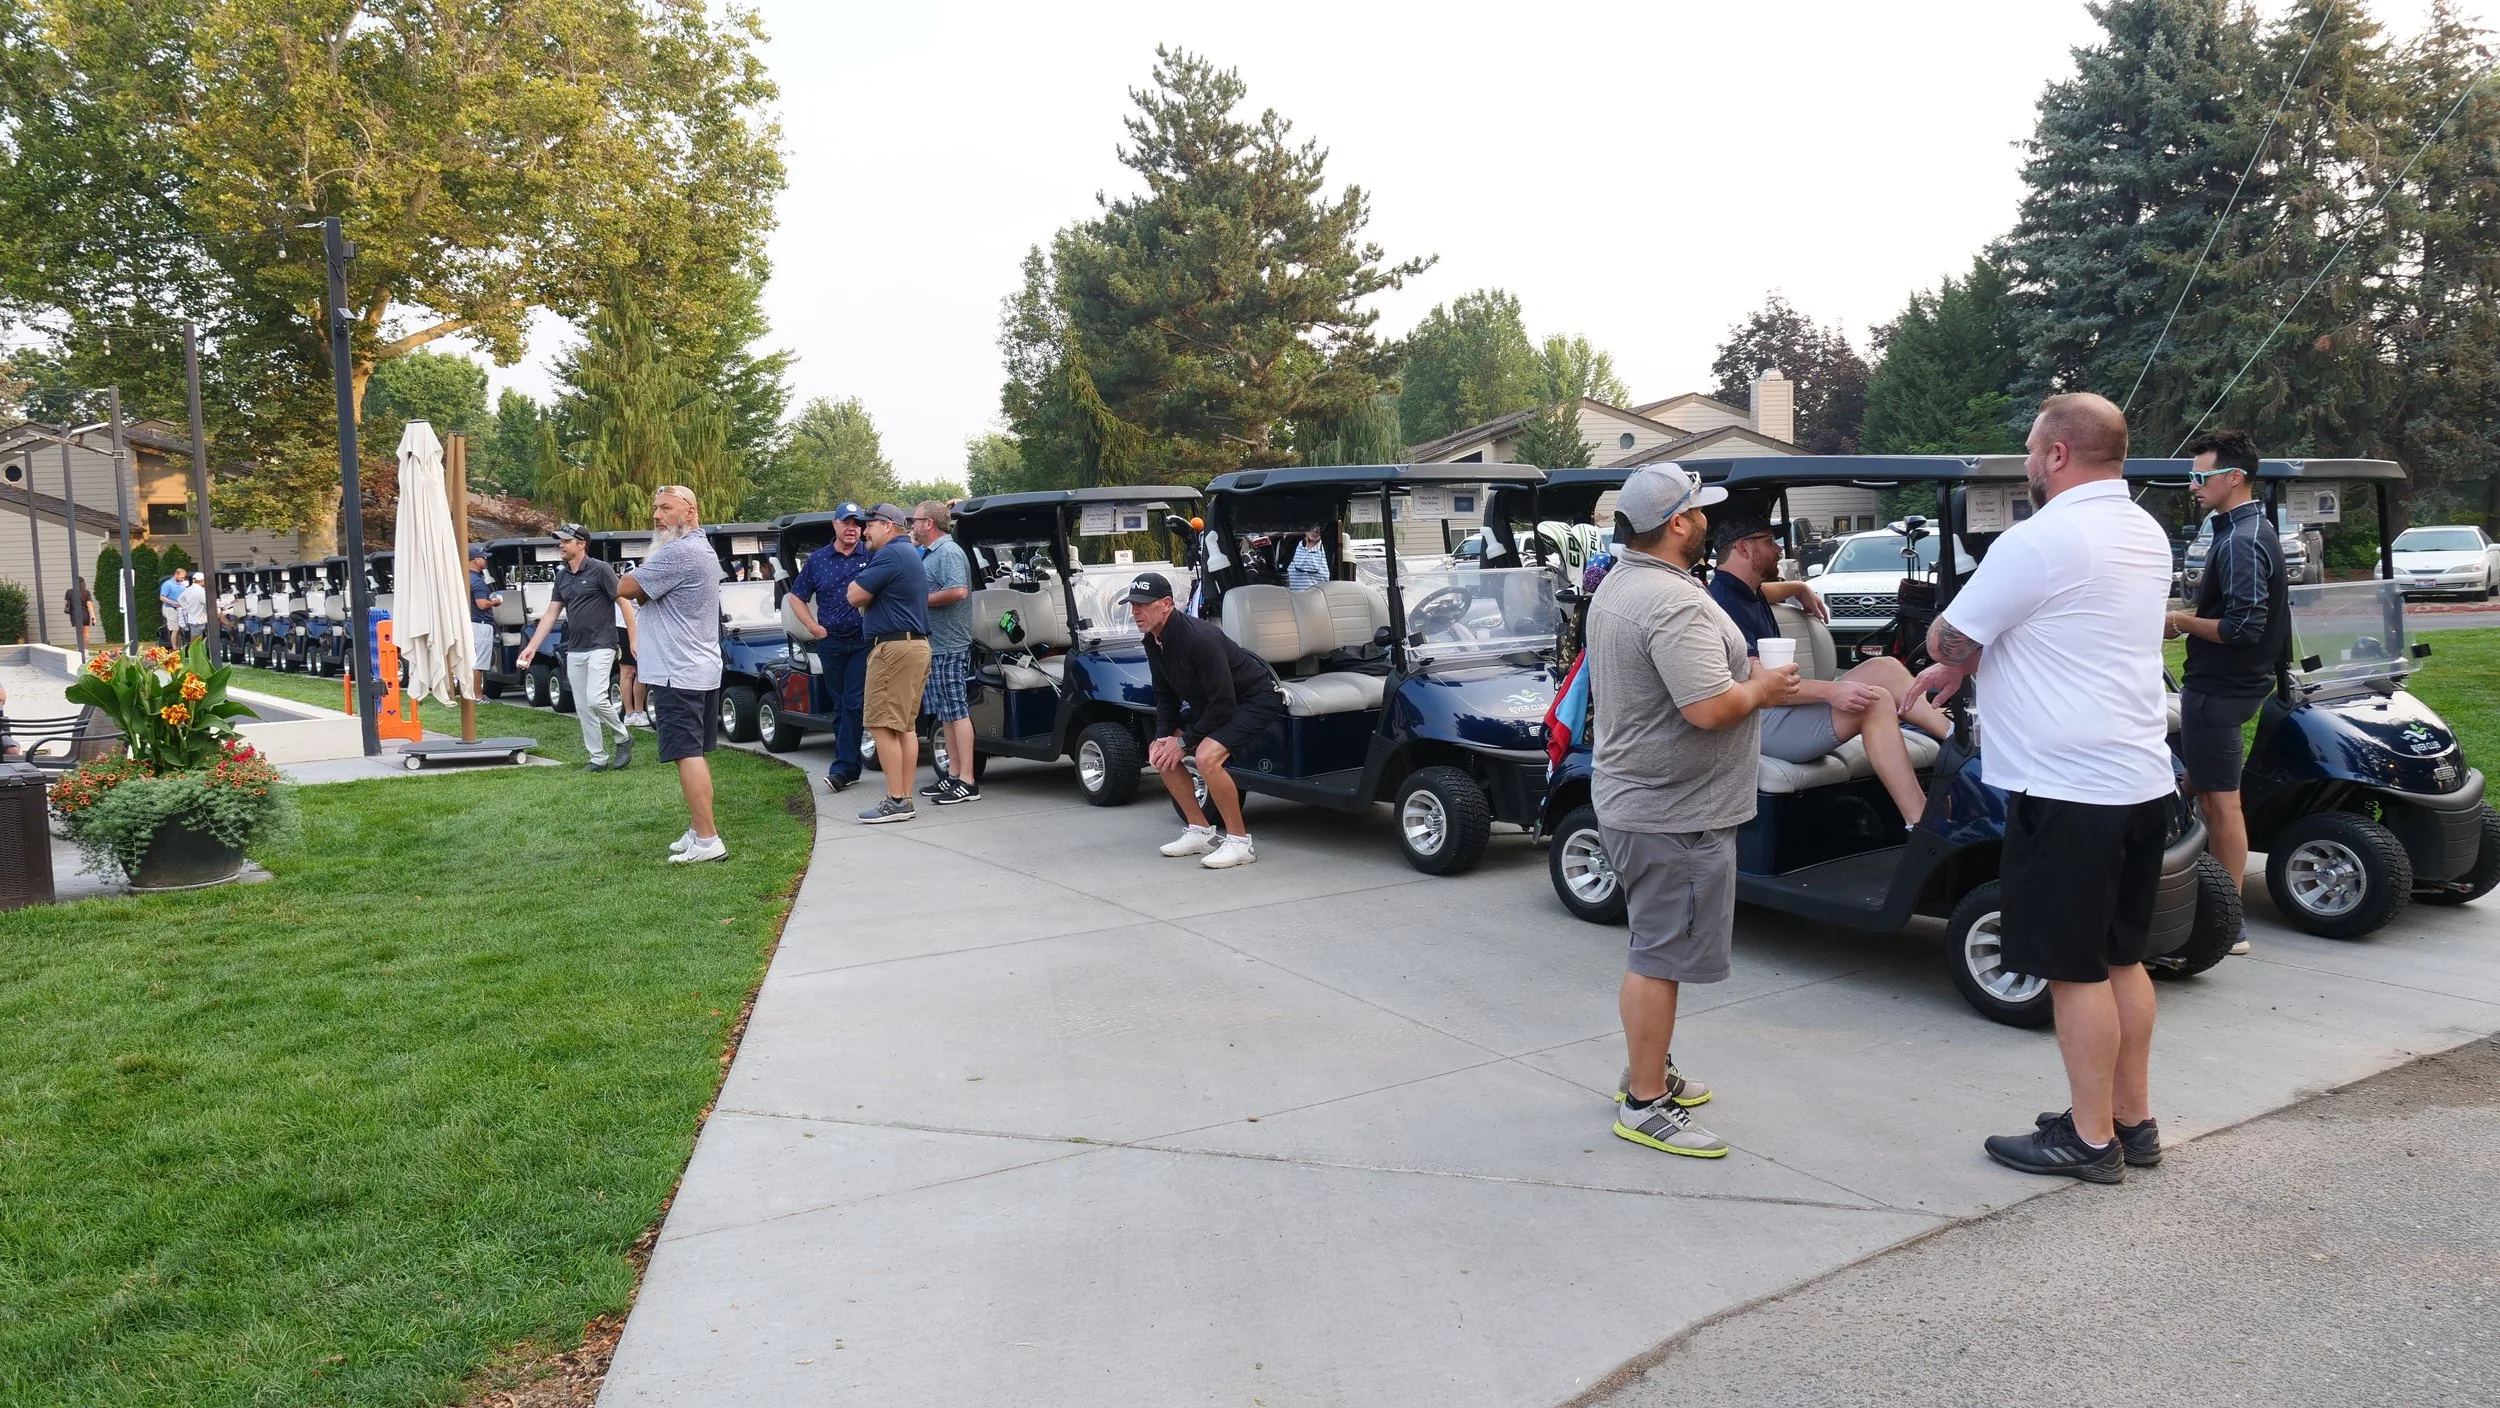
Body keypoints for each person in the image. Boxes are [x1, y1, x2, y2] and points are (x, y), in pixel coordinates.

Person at [1904, 392, 2175, 1184]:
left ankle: (2089, 1141)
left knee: (2072, 969)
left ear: (2057, 454)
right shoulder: (2145, 530)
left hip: (2066, 788)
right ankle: (2131, 1119)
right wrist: (1974, 662)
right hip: (2138, 776)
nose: (2027, 462)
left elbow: (1950, 634)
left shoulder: (2041, 538)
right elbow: (2067, 635)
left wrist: (1951, 652)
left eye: (2031, 449)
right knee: (2122, 958)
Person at [1586, 464, 1799, 1159]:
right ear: (1677, 523)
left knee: (1657, 949)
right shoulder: (1671, 602)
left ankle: (1647, 1069)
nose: (1709, 519)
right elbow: (1708, 708)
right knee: (1659, 956)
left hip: (1649, 802)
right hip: (1673, 812)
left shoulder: (1626, 582)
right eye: (1700, 509)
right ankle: (1646, 1103)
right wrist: (1763, 687)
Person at [1706, 511, 1951, 826]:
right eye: (1768, 542)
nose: (1778, 549)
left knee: (1886, 667)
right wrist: (1832, 691)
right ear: (1743, 548)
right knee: (1873, 701)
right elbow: (1765, 685)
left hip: (1778, 710)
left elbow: (1772, 591)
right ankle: (1921, 823)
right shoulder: (1725, 603)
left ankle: (1961, 742)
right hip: (1756, 723)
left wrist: (1800, 588)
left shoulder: (1746, 589)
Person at [2167, 430, 2281, 959]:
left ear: (2234, 477)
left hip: (2220, 689)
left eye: (2201, 476)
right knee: (2198, 785)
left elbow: (2241, 627)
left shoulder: (2240, 539)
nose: (2193, 485)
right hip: (2229, 686)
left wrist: (2180, 620)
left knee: (2221, 801)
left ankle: (2227, 923)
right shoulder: (2249, 528)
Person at [1124, 570, 1284, 870]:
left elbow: (1224, 705)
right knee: (1161, 754)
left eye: (1142, 604)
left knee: (1206, 756)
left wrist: (1184, 741)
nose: (1135, 611)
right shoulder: (1153, 640)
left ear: (1166, 604)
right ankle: (1199, 831)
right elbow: (1165, 694)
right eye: (1132, 604)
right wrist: (1163, 737)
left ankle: (1239, 843)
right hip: (1213, 705)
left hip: (1256, 700)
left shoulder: (1199, 639)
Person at [618, 485, 728, 863]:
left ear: (690, 512)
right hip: (697, 668)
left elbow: (626, 587)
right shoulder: (700, 548)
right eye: (656, 508)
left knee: (686, 754)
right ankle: (699, 829)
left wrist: (642, 576)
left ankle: (708, 841)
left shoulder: (679, 551)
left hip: (678, 672)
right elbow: (641, 592)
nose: (656, 515)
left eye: (666, 508)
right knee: (694, 753)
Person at [519, 524, 632, 772]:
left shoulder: (600, 569)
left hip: (603, 644)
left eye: (566, 541)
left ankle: (622, 737)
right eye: (560, 541)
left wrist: (633, 639)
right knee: (582, 706)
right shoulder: (562, 577)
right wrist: (532, 647)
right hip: (576, 648)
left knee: (596, 699)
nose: (561, 545)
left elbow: (624, 603)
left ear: (581, 544)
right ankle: (598, 759)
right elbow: (551, 615)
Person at [846, 504, 933, 824]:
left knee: (881, 724)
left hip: (894, 650)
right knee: (904, 727)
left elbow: (854, 595)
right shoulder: (908, 553)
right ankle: (904, 798)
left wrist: (864, 596)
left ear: (887, 526)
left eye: (869, 525)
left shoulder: (891, 554)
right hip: (913, 646)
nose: (864, 532)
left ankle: (896, 800)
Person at [786, 503, 875, 791]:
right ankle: (850, 766)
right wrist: (814, 628)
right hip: (831, 642)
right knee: (841, 705)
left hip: (864, 641)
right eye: (846, 522)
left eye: (857, 524)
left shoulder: (872, 554)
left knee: (853, 703)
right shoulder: (818, 560)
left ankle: (843, 768)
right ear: (835, 525)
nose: (852, 528)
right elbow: (796, 596)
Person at [910, 499, 981, 805]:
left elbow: (959, 590)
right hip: (937, 645)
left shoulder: (948, 552)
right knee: (946, 714)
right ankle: (953, 775)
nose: (912, 525)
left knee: (957, 711)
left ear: (929, 523)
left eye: (915, 520)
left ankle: (968, 781)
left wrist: (919, 600)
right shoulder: (931, 552)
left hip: (951, 644)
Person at [467, 546, 502, 683]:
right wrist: (494, 602)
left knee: (471, 660)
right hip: (481, 624)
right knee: (479, 663)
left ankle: (469, 692)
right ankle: (477, 693)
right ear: (477, 560)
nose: (486, 560)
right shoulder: (478, 581)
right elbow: (481, 604)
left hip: (470, 622)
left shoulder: (465, 578)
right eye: (483, 557)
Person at [1287, 527, 1329, 592]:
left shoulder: (1327, 551)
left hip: (1318, 597)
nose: (1315, 530)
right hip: (1292, 596)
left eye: (1318, 529)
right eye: (1312, 527)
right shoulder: (1292, 546)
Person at [177, 572, 208, 652]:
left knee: (198, 640)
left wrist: (186, 608)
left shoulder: (188, 589)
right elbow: (207, 602)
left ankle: (198, 655)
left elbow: (180, 599)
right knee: (195, 641)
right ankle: (192, 655)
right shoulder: (200, 591)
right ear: (200, 581)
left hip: (193, 617)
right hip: (198, 619)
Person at [158, 566, 186, 647]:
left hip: (180, 608)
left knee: (180, 629)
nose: (183, 579)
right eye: (181, 577)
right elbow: (162, 597)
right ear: (176, 574)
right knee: (175, 629)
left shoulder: (182, 585)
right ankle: (174, 648)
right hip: (170, 608)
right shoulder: (167, 584)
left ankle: (180, 647)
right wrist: (174, 603)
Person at [65, 577, 94, 653]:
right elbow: (89, 605)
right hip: (85, 615)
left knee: (79, 634)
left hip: (75, 615)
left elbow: (66, 604)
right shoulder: (86, 592)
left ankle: (80, 650)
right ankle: (86, 651)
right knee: (86, 634)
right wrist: (93, 616)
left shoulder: (69, 592)